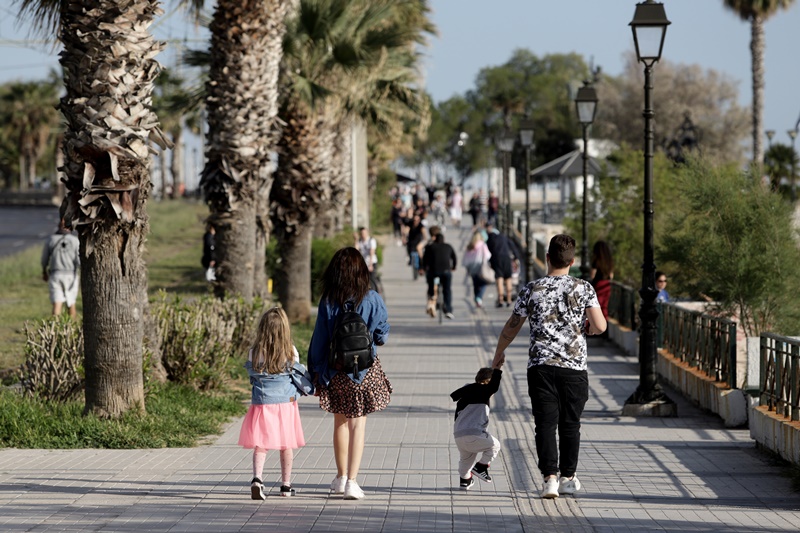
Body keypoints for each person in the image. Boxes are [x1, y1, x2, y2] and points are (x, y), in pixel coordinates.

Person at [491, 234, 607, 499]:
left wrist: (498, 354)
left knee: (544, 424)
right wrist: (586, 327)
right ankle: (568, 477)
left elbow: (512, 326)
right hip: (574, 368)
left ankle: (549, 479)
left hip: (541, 366)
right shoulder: (584, 288)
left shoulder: (532, 288)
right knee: (570, 423)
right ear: (572, 261)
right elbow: (600, 326)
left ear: (547, 258)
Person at [308, 247, 392, 500]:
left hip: (337, 370)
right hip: (365, 370)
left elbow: (319, 340)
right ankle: (352, 483)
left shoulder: (329, 300)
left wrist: (315, 371)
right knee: (359, 425)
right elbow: (383, 334)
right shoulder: (372, 298)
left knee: (340, 422)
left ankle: (341, 476)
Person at [237, 307, 307, 500]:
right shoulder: (291, 352)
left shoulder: (254, 352)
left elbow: (252, 377)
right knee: (286, 445)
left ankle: (257, 480)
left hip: (262, 404)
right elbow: (297, 377)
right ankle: (286, 485)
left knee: (261, 444)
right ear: (285, 329)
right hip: (285, 405)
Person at [450, 365, 504, 490]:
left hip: (459, 435)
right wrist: (498, 367)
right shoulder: (483, 390)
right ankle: (481, 467)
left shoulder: (466, 392)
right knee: (495, 445)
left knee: (466, 459)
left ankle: (465, 480)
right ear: (487, 382)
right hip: (474, 433)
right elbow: (494, 386)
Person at [41, 218, 80, 317]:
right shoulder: (75, 241)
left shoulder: (51, 240)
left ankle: (55, 329)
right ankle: (71, 328)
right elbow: (79, 260)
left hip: (55, 274)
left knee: (57, 303)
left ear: (58, 226)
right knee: (71, 303)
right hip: (71, 274)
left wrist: (44, 271)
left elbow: (44, 259)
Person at [421, 229, 457, 319]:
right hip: (446, 272)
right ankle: (448, 310)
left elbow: (425, 259)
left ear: (435, 239)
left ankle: (432, 296)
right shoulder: (448, 246)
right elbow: (454, 258)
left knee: (430, 284)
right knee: (447, 290)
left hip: (433, 272)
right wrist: (453, 267)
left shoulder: (430, 247)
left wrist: (423, 268)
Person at [485, 223, 517, 307]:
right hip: (506, 258)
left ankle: (501, 299)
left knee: (499, 278)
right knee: (508, 278)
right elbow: (512, 247)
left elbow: (489, 252)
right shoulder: (503, 237)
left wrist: (490, 263)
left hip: (496, 259)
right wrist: (516, 258)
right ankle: (509, 299)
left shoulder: (489, 240)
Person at [462, 231, 492, 308]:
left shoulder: (470, 246)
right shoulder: (482, 245)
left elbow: (466, 257)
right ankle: (479, 297)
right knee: (483, 282)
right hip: (480, 266)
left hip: (471, 267)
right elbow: (488, 255)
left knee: (475, 283)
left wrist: (467, 266)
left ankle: (476, 298)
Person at [590, 241, 614, 320]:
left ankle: (598, 324)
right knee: (604, 306)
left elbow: (592, 275)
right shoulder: (609, 261)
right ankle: (605, 324)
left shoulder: (596, 261)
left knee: (597, 305)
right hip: (607, 284)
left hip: (598, 284)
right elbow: (611, 275)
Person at [355, 227, 380, 293]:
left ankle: (377, 293)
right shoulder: (360, 241)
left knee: (372, 278)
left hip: (371, 262)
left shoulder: (371, 240)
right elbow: (356, 250)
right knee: (363, 279)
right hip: (363, 263)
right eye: (362, 233)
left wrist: (370, 264)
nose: (363, 234)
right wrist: (356, 240)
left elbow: (372, 252)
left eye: (364, 233)